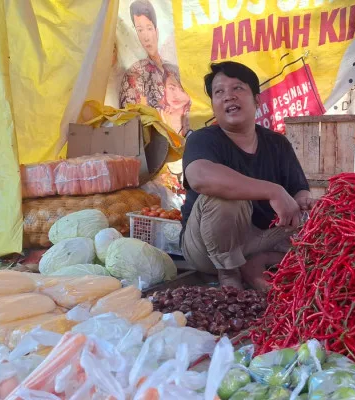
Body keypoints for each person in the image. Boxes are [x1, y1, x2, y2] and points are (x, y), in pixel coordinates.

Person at [180, 61, 314, 291]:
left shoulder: (276, 143)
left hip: (256, 240)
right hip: (207, 249)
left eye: (237, 88)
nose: (228, 97)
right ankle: (229, 273)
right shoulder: (202, 139)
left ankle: (255, 263)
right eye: (219, 92)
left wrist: (302, 200)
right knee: (223, 198)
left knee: (322, 237)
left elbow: (298, 189)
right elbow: (200, 177)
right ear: (213, 105)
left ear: (257, 100)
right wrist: (273, 190)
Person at [120, 0, 167, 110]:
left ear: (157, 31)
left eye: (149, 28)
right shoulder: (134, 74)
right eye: (140, 30)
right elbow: (132, 117)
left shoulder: (172, 69)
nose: (146, 37)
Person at [160, 64, 192, 137]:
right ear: (165, 88)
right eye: (171, 88)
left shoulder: (199, 114)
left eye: (182, 90)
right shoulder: (158, 115)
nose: (176, 95)